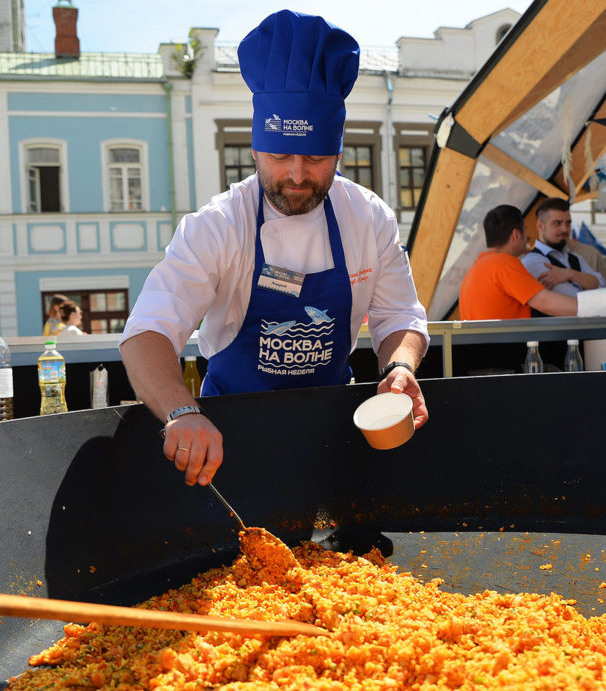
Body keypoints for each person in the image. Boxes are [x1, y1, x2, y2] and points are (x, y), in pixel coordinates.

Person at [119, 10, 429, 487]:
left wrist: (401, 366)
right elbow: (147, 332)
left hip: (334, 439)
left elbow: (400, 316)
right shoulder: (220, 224)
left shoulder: (369, 218)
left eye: (316, 158)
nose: (298, 175)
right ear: (257, 148)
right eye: (281, 156)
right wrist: (181, 412)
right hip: (226, 437)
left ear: (339, 153)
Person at [459, 205, 578, 320]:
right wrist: (591, 307)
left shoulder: (477, 267)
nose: (527, 238)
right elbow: (545, 302)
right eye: (525, 230)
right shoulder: (504, 264)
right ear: (516, 235)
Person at [521, 198, 606, 299]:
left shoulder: (576, 258)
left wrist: (571, 274)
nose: (565, 229)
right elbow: (574, 298)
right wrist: (585, 281)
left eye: (568, 223)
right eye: (557, 223)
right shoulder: (532, 261)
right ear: (540, 226)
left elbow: (602, 284)